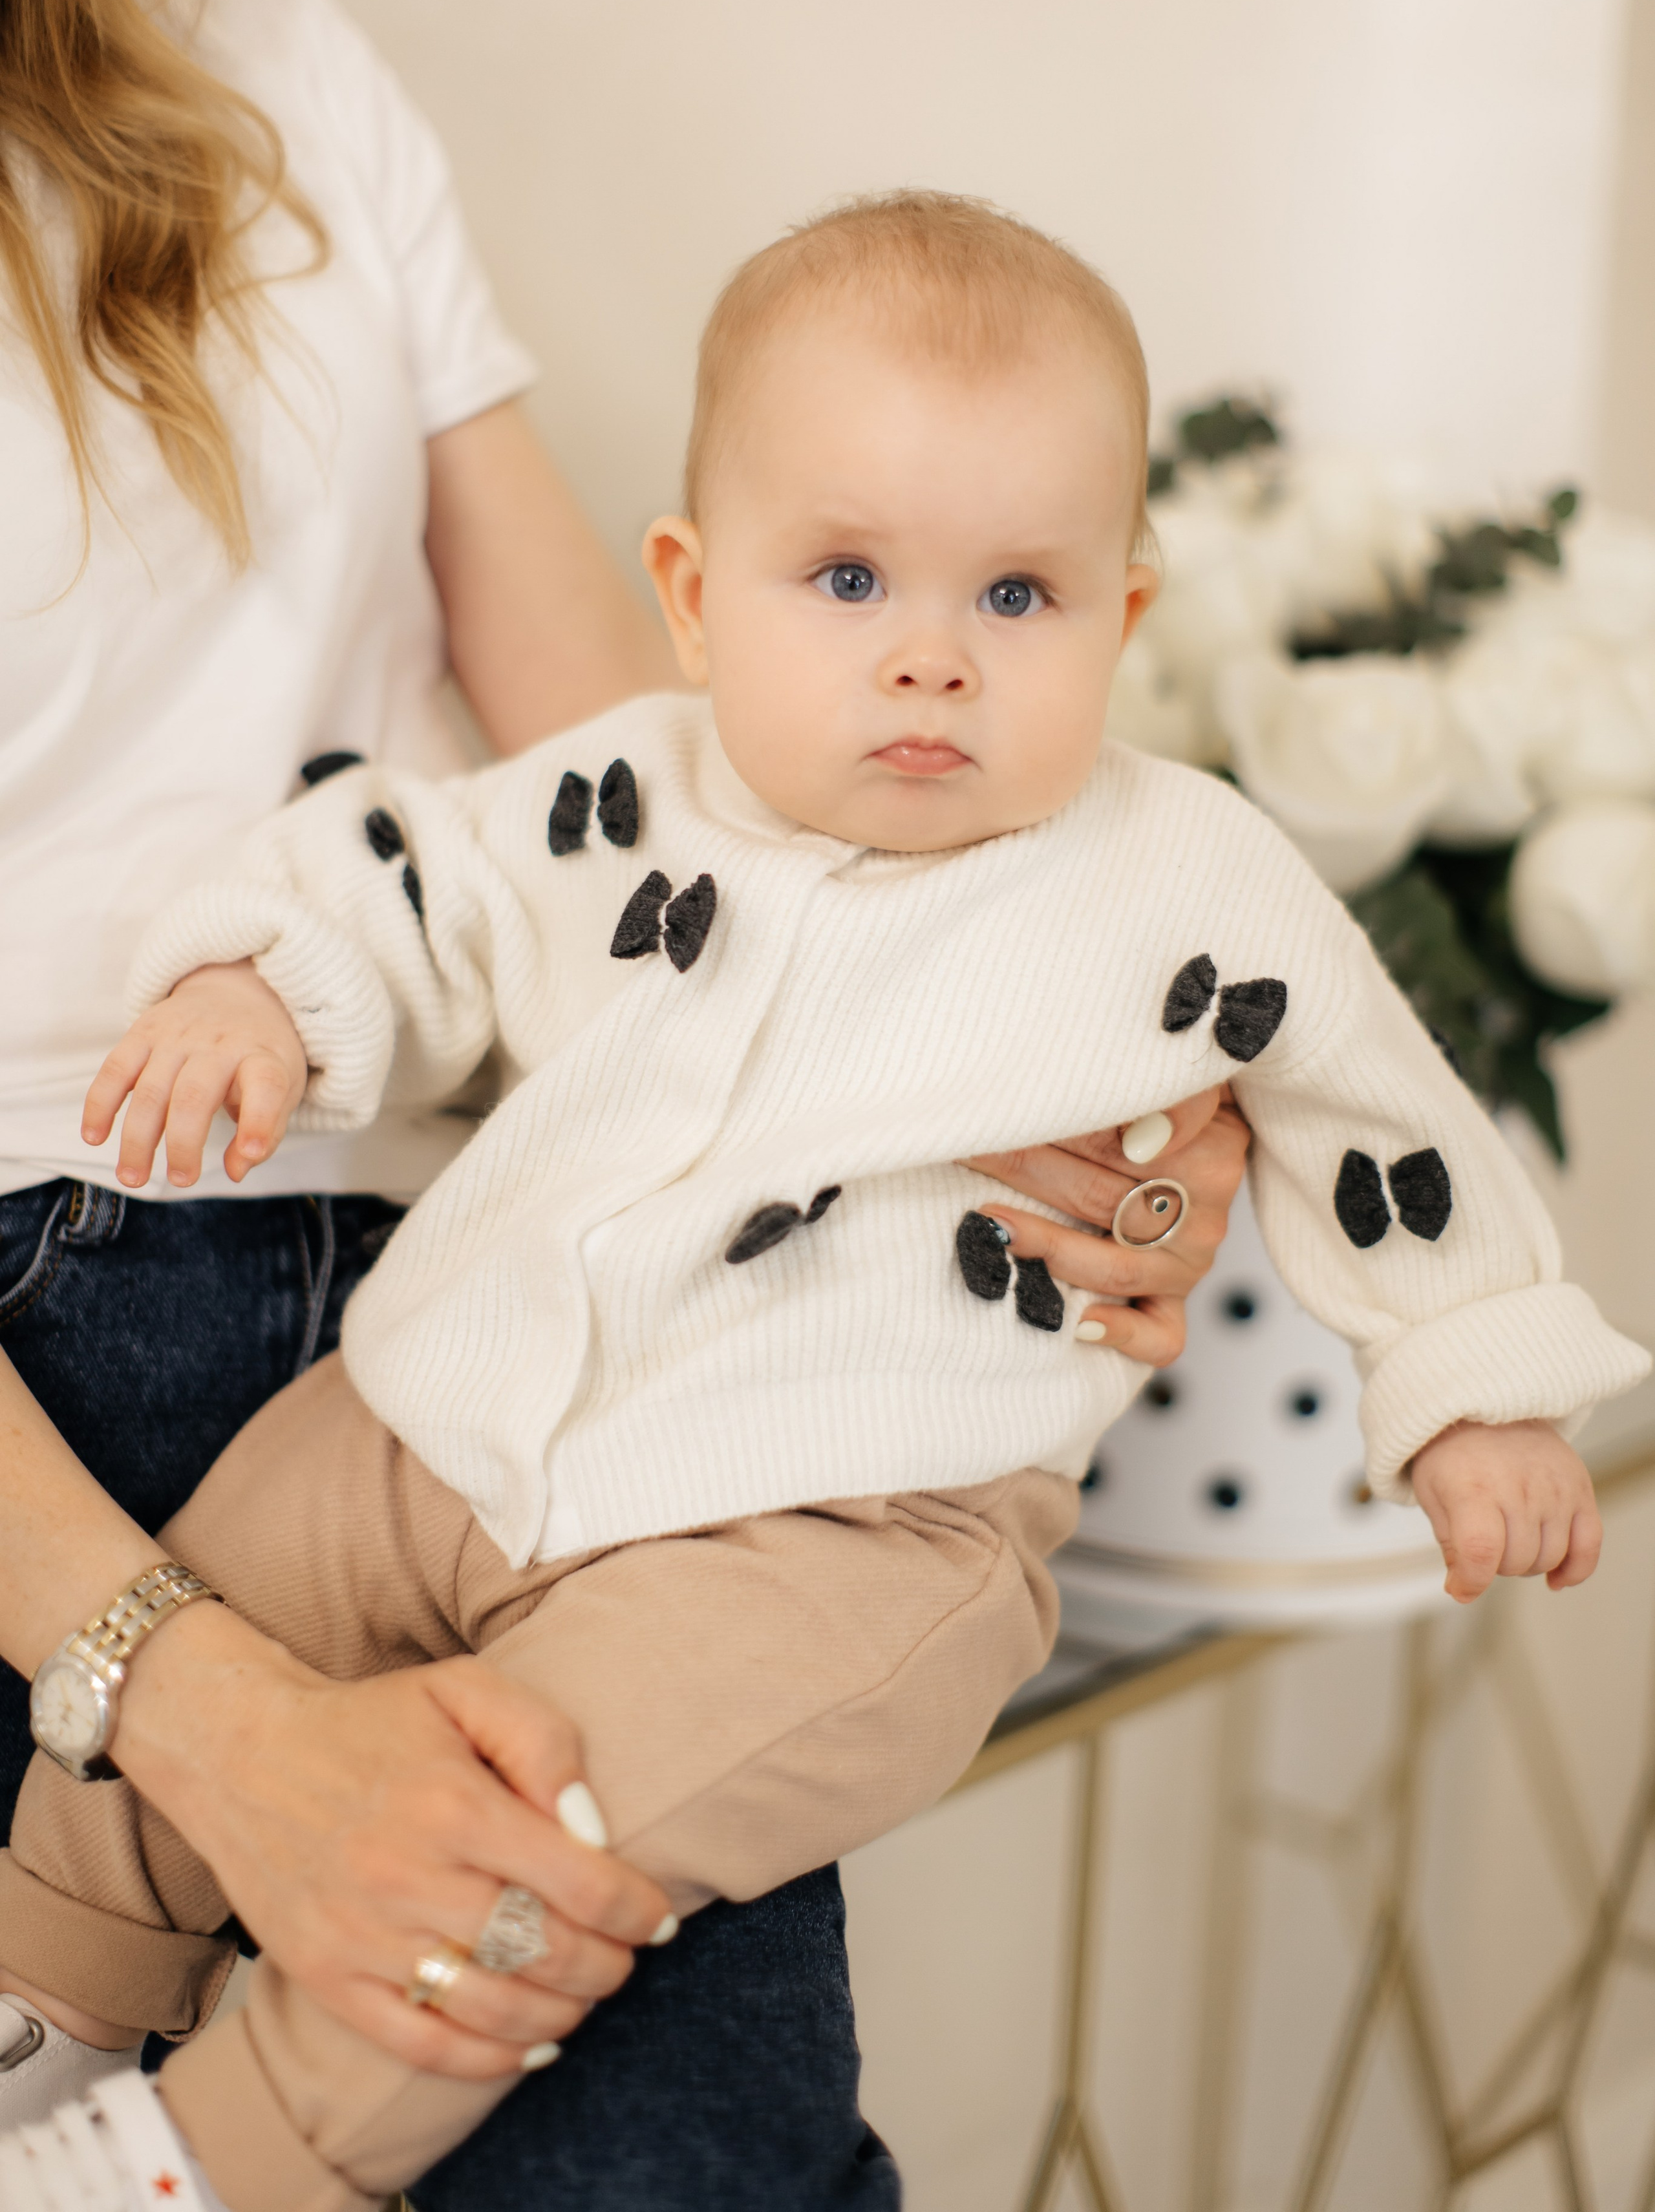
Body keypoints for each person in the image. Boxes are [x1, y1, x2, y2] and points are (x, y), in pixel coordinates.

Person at [0, 191, 1641, 2212]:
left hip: (826, 1525)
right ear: (695, 595)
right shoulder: (629, 788)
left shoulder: (1177, 880)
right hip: (441, 1395)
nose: (932, 662)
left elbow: (1377, 1115)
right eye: (849, 578)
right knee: (233, 1561)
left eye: (1019, 599)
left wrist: (1471, 1381)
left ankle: (200, 2168)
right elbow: (425, 885)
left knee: (553, 1829)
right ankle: (56, 1986)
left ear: (1123, 622)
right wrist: (272, 988)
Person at [0, 0, 1250, 2206]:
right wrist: (199, 1707)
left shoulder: (287, 88)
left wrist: (1056, 1082)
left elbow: (652, 774)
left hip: (537, 1311)